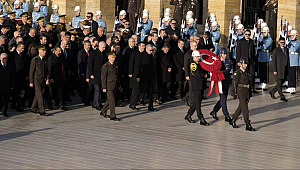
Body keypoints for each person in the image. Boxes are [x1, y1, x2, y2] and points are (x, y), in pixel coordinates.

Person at [184, 50, 209, 126]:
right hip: (196, 85)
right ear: (194, 57)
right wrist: (205, 75)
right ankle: (201, 117)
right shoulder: (193, 65)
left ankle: (188, 115)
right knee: (198, 103)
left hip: (200, 85)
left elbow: (203, 71)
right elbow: (198, 74)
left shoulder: (198, 64)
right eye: (198, 56)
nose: (199, 58)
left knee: (196, 102)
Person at [230, 57, 255, 131]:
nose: (246, 65)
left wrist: (250, 93)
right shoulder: (237, 73)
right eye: (244, 64)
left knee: (241, 107)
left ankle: (233, 119)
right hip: (240, 91)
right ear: (241, 64)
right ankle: (247, 123)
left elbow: (249, 83)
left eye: (246, 64)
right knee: (245, 108)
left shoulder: (247, 72)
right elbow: (234, 84)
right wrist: (233, 93)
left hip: (246, 92)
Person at [209, 48, 232, 122]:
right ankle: (226, 115)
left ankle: (214, 111)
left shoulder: (228, 61)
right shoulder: (217, 62)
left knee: (223, 98)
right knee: (223, 99)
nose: (225, 55)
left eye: (225, 54)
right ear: (220, 54)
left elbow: (228, 70)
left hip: (226, 81)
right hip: (220, 82)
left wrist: (220, 72)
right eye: (223, 54)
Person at [236, 29, 259, 94]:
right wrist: (238, 61)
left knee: (252, 74)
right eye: (246, 34)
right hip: (243, 61)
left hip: (250, 61)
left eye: (249, 34)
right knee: (242, 74)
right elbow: (238, 52)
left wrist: (254, 60)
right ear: (244, 34)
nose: (247, 35)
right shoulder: (240, 41)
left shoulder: (251, 42)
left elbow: (253, 51)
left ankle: (252, 88)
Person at [100, 52, 121, 121]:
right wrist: (104, 87)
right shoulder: (105, 66)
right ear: (109, 57)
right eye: (112, 57)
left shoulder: (115, 64)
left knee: (109, 100)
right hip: (108, 86)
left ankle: (103, 111)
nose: (113, 59)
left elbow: (117, 76)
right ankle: (112, 115)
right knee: (112, 101)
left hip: (114, 85)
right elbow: (103, 78)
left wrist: (118, 85)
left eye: (114, 57)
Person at [29, 45, 49, 116]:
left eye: (45, 51)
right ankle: (42, 110)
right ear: (39, 51)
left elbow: (46, 70)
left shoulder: (45, 59)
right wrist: (31, 81)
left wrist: (47, 78)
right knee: (40, 95)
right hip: (36, 79)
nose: (45, 52)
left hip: (42, 79)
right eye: (43, 51)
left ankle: (33, 107)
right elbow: (31, 71)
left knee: (37, 95)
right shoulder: (35, 59)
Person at [47, 46, 68, 111]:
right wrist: (50, 78)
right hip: (53, 78)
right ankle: (50, 105)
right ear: (55, 51)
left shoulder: (60, 58)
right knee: (51, 92)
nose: (60, 52)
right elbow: (49, 69)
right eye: (59, 51)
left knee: (59, 91)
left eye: (60, 51)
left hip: (59, 77)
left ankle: (60, 104)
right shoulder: (51, 58)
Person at [269, 37, 289, 102]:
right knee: (279, 82)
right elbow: (274, 61)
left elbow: (287, 58)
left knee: (281, 81)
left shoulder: (286, 49)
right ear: (279, 43)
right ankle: (281, 95)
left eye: (284, 42)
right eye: (282, 42)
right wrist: (274, 70)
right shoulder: (276, 50)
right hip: (279, 68)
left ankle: (272, 91)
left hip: (285, 68)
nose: (283, 44)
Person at [86, 41, 104, 110]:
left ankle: (95, 102)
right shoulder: (93, 53)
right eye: (103, 47)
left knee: (98, 88)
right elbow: (90, 64)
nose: (104, 49)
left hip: (100, 74)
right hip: (94, 74)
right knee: (97, 89)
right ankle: (97, 103)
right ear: (99, 46)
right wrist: (90, 74)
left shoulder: (102, 53)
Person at [128, 42, 145, 110]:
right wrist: (130, 73)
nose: (144, 47)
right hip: (135, 74)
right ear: (139, 46)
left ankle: (137, 101)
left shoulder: (144, 54)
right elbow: (131, 63)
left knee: (140, 89)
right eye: (142, 46)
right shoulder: (134, 53)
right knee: (136, 90)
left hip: (142, 74)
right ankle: (132, 103)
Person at [283, 30, 300, 94]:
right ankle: (290, 86)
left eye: (292, 35)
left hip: (294, 59)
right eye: (290, 35)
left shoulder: (298, 42)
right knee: (289, 74)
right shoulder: (288, 41)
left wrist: (289, 44)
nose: (291, 37)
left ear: (296, 35)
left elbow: (295, 49)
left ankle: (293, 87)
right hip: (289, 59)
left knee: (293, 74)